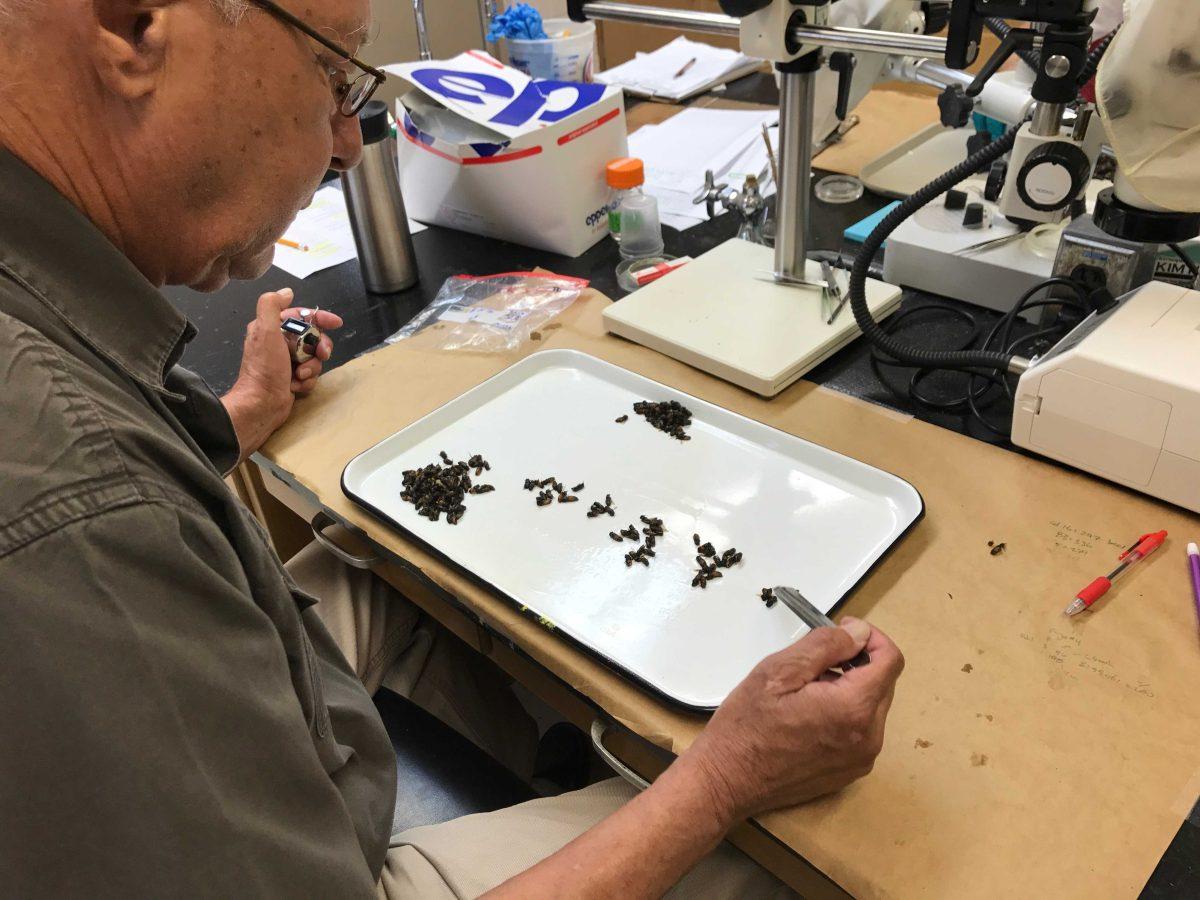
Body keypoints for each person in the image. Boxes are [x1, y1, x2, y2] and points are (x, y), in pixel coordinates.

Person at [0, 1, 905, 896]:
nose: (347, 144)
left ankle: (554, 772)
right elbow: (88, 508)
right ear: (131, 26)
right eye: (333, 71)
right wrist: (724, 779)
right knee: (794, 842)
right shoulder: (73, 498)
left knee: (373, 564)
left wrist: (237, 417)